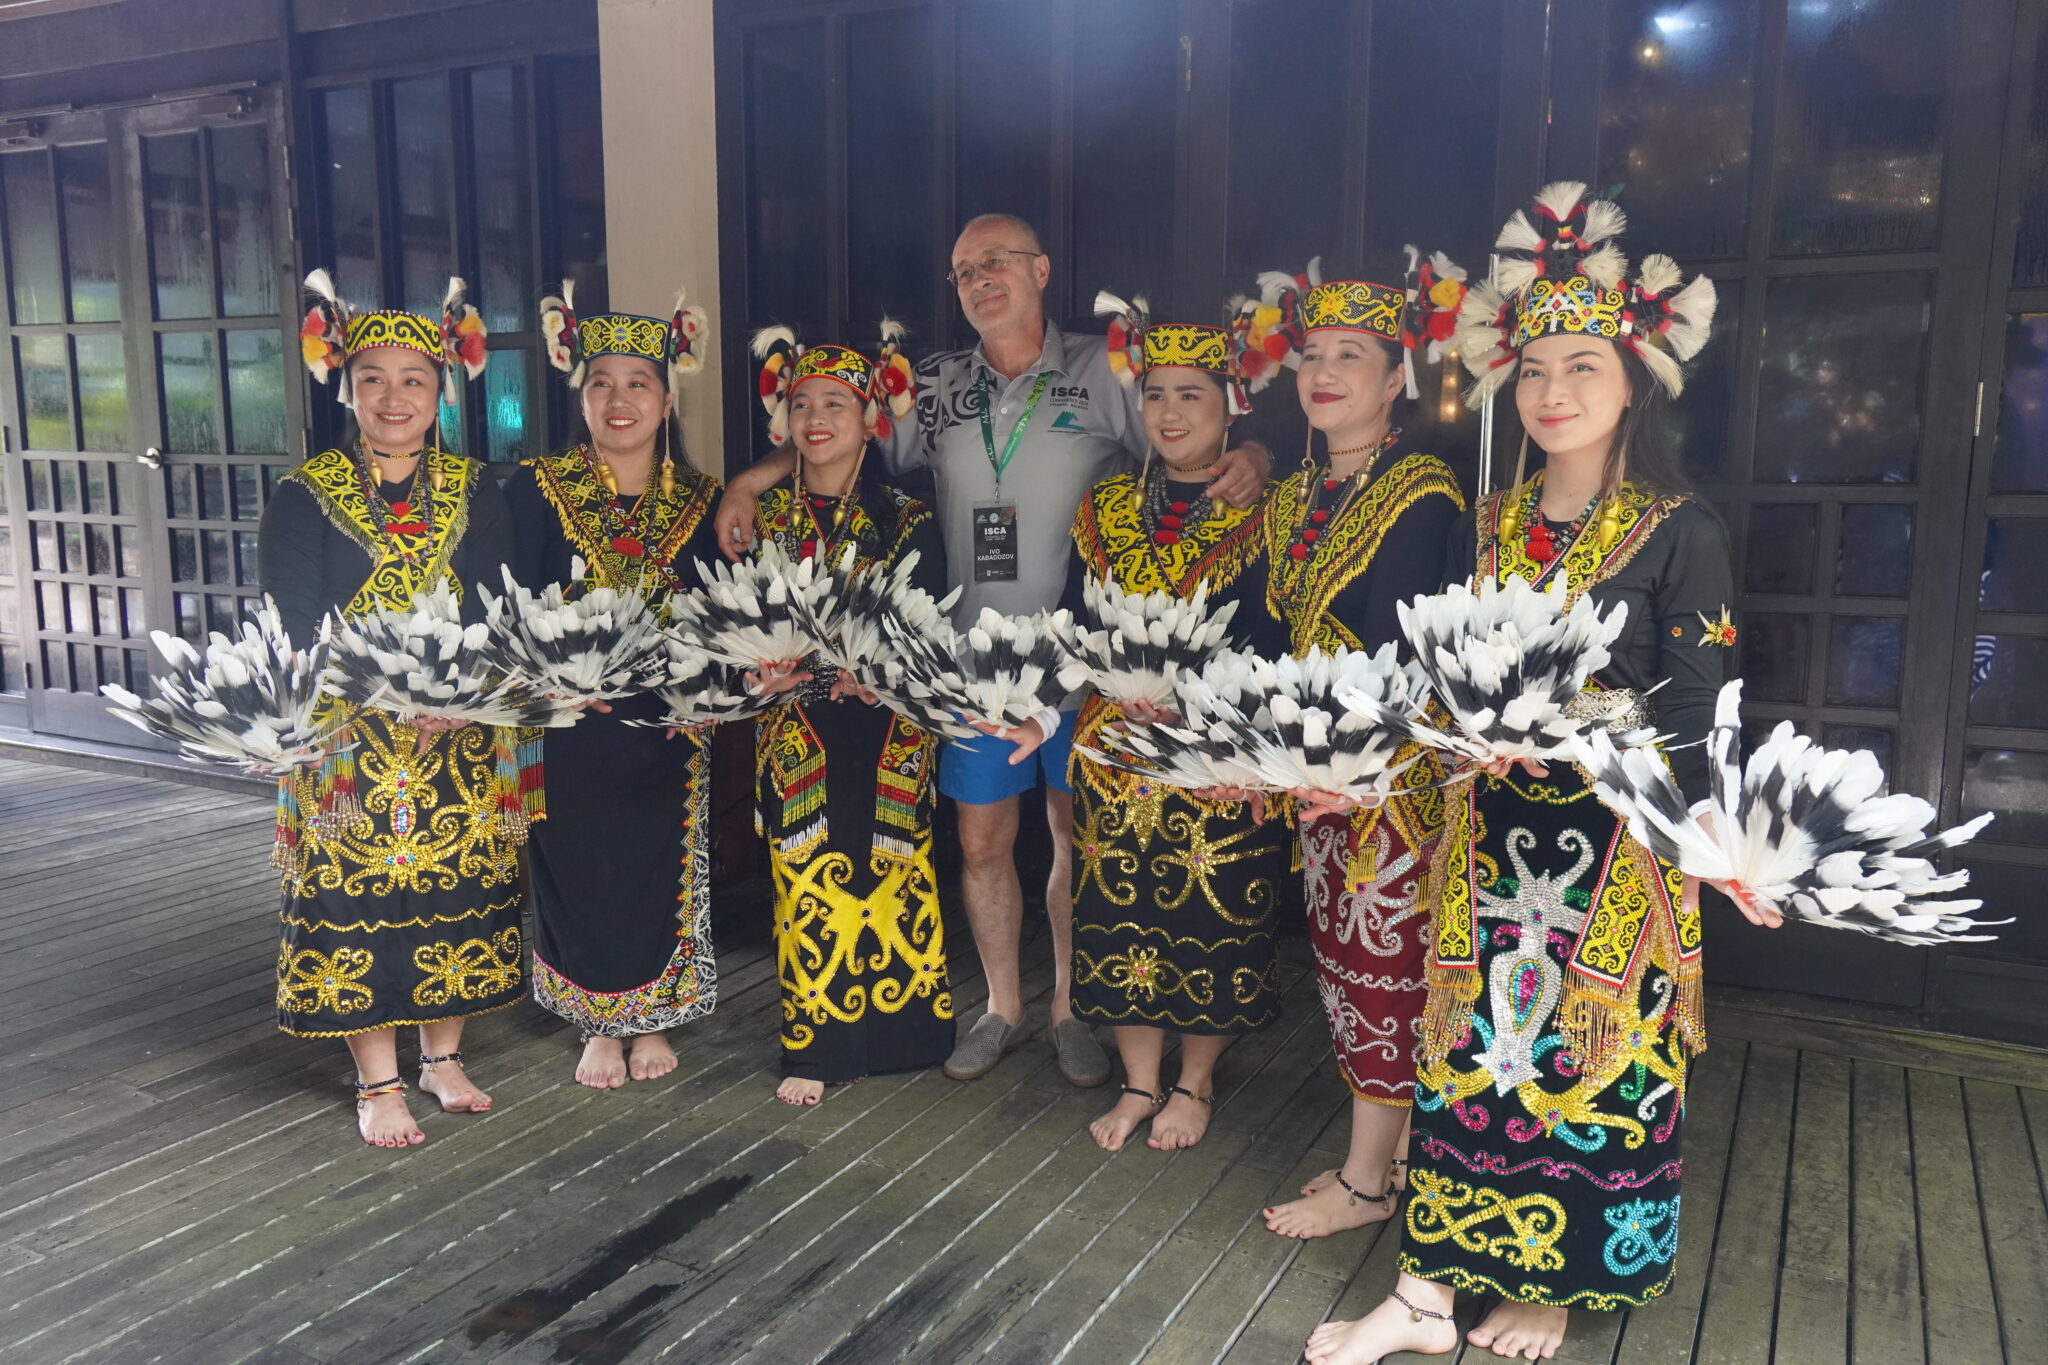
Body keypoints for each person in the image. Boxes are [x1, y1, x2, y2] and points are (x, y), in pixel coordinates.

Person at [1304, 184, 1760, 1365]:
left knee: (1578, 1071)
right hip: (1482, 842)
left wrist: (1614, 771)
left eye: (1583, 369)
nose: (1553, 392)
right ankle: (1422, 1294)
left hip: (1613, 853)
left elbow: (1694, 717)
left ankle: (1547, 1290)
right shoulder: (1488, 523)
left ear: (1633, 383)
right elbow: (1434, 684)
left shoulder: (1679, 530)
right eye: (1536, 371)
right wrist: (1358, 772)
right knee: (1462, 1061)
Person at [713, 214, 1270, 1089]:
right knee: (980, 840)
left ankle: (1070, 1009)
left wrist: (1259, 453)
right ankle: (1004, 1005)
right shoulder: (933, 385)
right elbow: (835, 429)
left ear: (1041, 270)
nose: (979, 279)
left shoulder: (1106, 370)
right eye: (964, 269)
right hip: (967, 664)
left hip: (1086, 663)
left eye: (996, 262)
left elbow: (1189, 428)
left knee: (1074, 837)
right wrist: (751, 478)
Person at [259, 271, 519, 1149]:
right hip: (345, 741)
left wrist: (463, 696)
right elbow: (294, 624)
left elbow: (499, 608)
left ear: (442, 389)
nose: (393, 396)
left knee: (458, 888)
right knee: (350, 898)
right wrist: (372, 695)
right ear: (347, 387)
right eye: (372, 377)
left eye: (414, 378)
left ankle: (442, 1059)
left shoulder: (479, 489)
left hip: (457, 734)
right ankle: (377, 1080)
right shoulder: (304, 494)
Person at [1241, 262, 1466, 1241]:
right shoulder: (1295, 494)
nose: (1324, 373)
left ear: (1395, 379)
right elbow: (1261, 635)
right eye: (1312, 356)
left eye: (1351, 356)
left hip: (1388, 780)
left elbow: (1394, 653)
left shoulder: (1421, 492)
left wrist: (1333, 760)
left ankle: (1367, 1181)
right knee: (1347, 963)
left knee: (1384, 970)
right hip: (1314, 770)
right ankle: (1404, 1155)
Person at [1063, 297, 1291, 1153]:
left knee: (1212, 910)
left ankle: (1195, 1079)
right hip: (1115, 745)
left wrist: (1208, 711)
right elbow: (1075, 617)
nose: (1169, 412)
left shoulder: (1267, 507)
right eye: (1155, 393)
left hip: (1218, 752)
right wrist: (1105, 685)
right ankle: (1138, 1079)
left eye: (1191, 394)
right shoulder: (1105, 503)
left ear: (1231, 405)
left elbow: (1275, 638)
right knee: (1118, 908)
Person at [504, 285, 721, 1088]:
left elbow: (725, 610)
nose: (619, 399)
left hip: (667, 721)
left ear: (668, 399)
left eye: (638, 382)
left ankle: (653, 1014)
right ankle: (596, 1020)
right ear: (581, 394)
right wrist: (543, 684)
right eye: (601, 382)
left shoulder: (705, 500)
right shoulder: (533, 489)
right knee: (576, 859)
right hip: (564, 720)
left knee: (658, 859)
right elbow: (504, 602)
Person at [742, 323, 954, 1105]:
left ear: (871, 417)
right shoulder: (763, 515)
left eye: (836, 403)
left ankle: (906, 1034)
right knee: (807, 872)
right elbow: (731, 617)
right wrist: (756, 669)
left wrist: (881, 673)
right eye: (802, 403)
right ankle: (818, 1043)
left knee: (895, 870)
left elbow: (930, 619)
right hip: (796, 722)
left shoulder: (907, 515)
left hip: (887, 717)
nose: (816, 418)